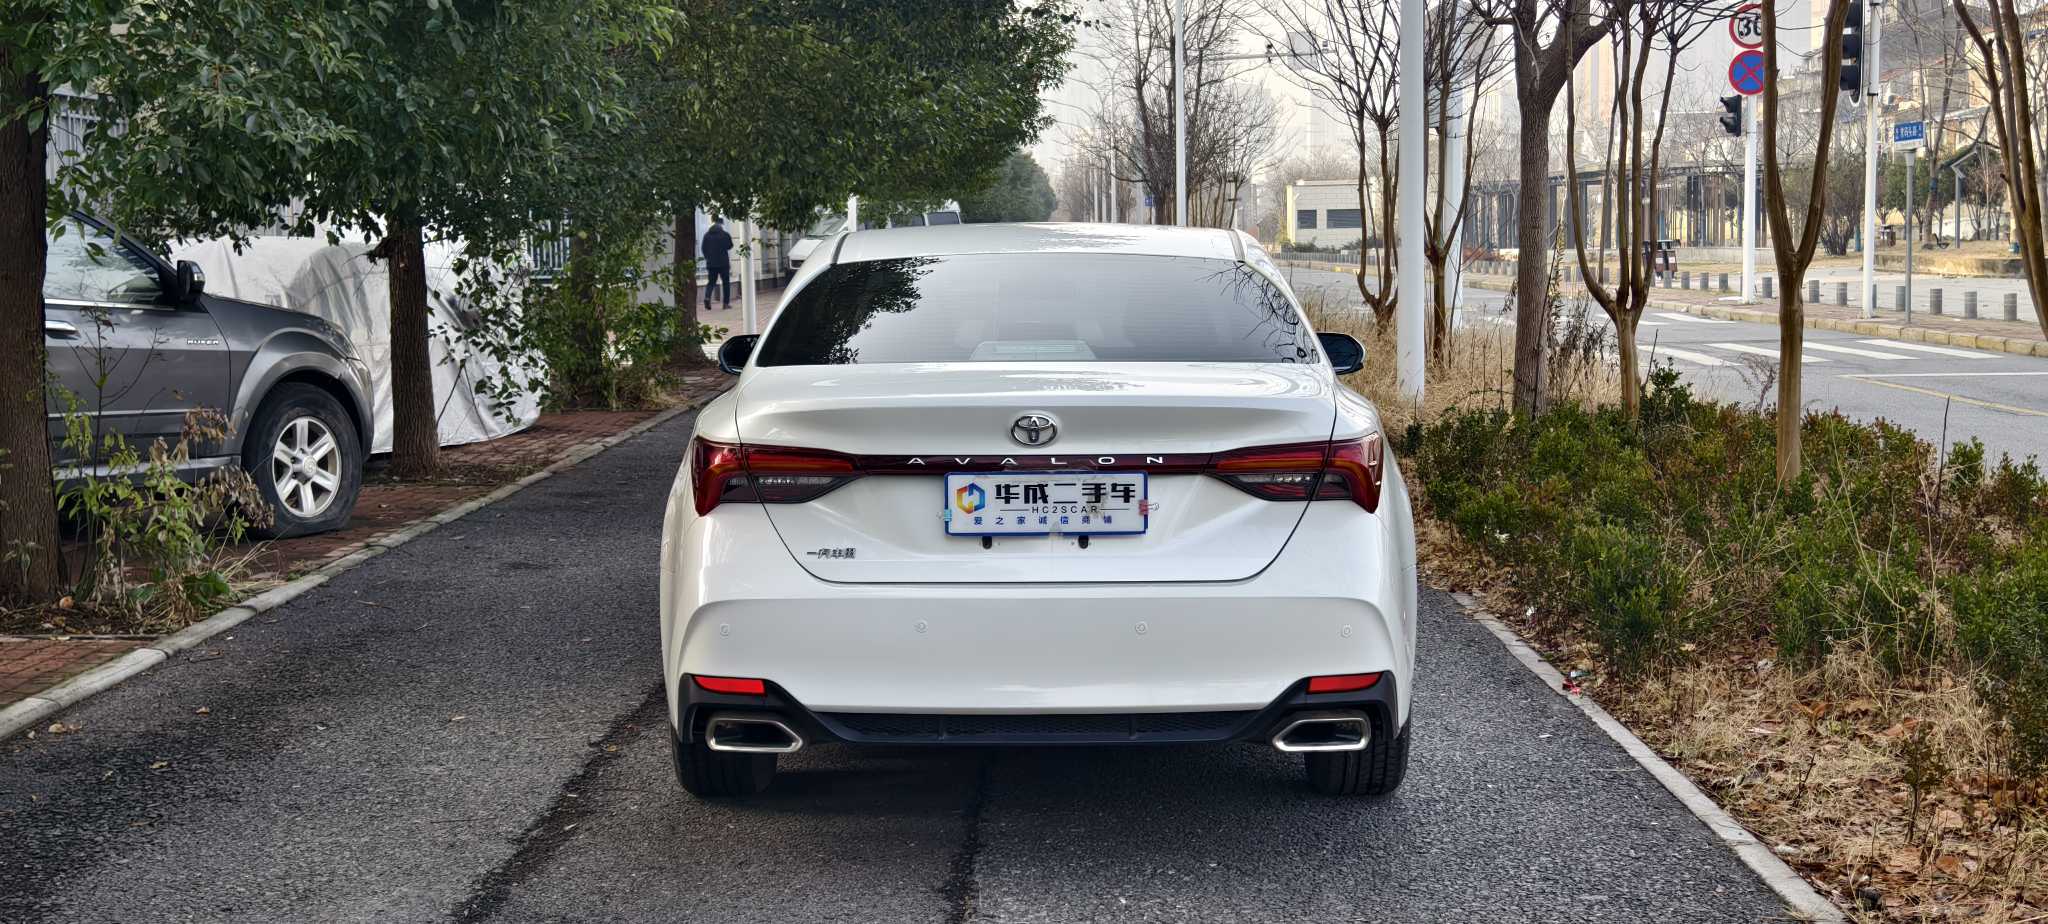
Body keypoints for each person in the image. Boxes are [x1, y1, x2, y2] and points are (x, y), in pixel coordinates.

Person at [701, 218, 734, 310]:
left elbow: (703, 249)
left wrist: (708, 257)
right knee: (726, 283)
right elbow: (730, 246)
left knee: (711, 282)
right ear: (721, 224)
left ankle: (707, 297)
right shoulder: (725, 234)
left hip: (711, 263)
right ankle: (726, 304)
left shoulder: (706, 235)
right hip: (723, 263)